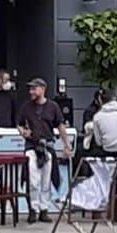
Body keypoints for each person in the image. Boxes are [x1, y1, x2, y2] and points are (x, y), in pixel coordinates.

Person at [17, 77, 71, 223]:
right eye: (31, 89)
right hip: (32, 146)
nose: (31, 92)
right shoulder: (26, 107)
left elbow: (60, 126)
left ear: (42, 89)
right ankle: (33, 209)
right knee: (33, 180)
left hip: (47, 146)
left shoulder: (53, 106)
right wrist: (23, 132)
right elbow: (20, 124)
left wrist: (67, 144)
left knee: (46, 180)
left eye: (34, 89)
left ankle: (44, 209)